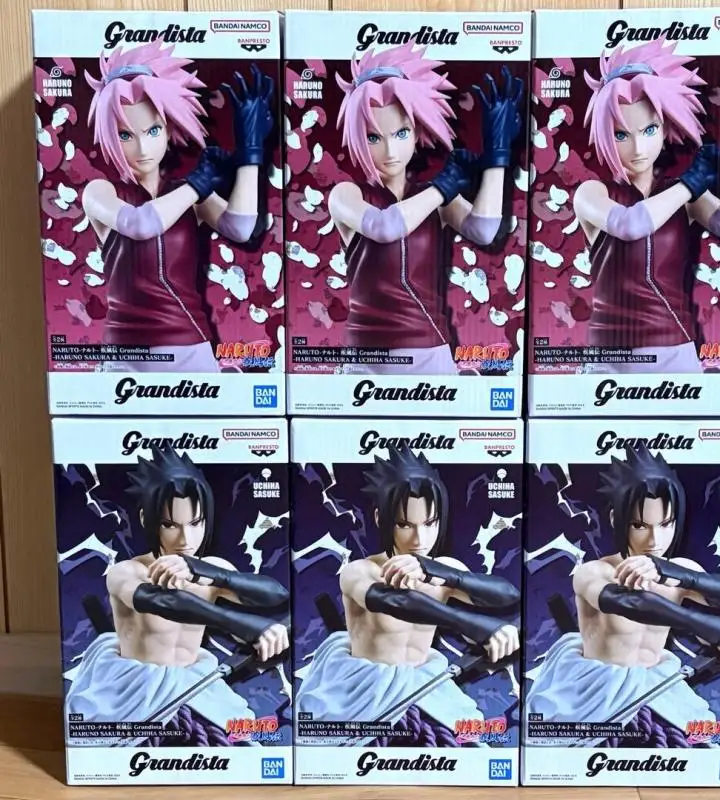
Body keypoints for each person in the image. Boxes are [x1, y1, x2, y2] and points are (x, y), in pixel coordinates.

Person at [527, 444, 720, 748]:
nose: (654, 539)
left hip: (658, 685)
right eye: (640, 525)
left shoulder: (680, 571)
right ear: (616, 519)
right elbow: (628, 603)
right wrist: (708, 626)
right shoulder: (594, 572)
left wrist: (671, 572)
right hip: (594, 691)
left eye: (666, 524)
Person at [65, 443, 289, 747]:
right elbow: (164, 602)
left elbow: (275, 594)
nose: (186, 539)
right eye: (170, 525)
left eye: (195, 523)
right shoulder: (126, 572)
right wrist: (244, 625)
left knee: (247, 741)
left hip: (197, 685)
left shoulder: (212, 569)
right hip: (134, 692)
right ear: (147, 519)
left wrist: (204, 571)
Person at [574, 37, 720, 374]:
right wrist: (689, 184)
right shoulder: (592, 192)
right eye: (621, 134)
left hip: (672, 350)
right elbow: (629, 225)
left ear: (666, 127)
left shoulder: (678, 194)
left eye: (649, 129)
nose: (638, 148)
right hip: (607, 355)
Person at [296, 444, 520, 746]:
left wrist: (440, 571)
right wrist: (473, 625)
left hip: (427, 687)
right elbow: (394, 602)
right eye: (404, 525)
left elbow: (507, 595)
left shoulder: (445, 569)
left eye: (430, 523)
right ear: (381, 518)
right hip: (363, 693)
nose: (419, 538)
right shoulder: (359, 571)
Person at [331, 43, 523, 375]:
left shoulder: (430, 198)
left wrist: (498, 158)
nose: (390, 150)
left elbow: (485, 231)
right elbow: (384, 228)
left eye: (401, 133)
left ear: (417, 131)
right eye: (374, 137)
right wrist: (442, 187)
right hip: (366, 356)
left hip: (430, 350)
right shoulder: (347, 194)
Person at [83, 38, 273, 373]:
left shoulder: (183, 195)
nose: (143, 148)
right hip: (126, 355)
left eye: (153, 130)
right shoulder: (101, 191)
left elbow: (242, 228)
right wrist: (197, 185)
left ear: (169, 128)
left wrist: (250, 154)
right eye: (126, 135)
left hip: (190, 348)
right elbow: (139, 224)